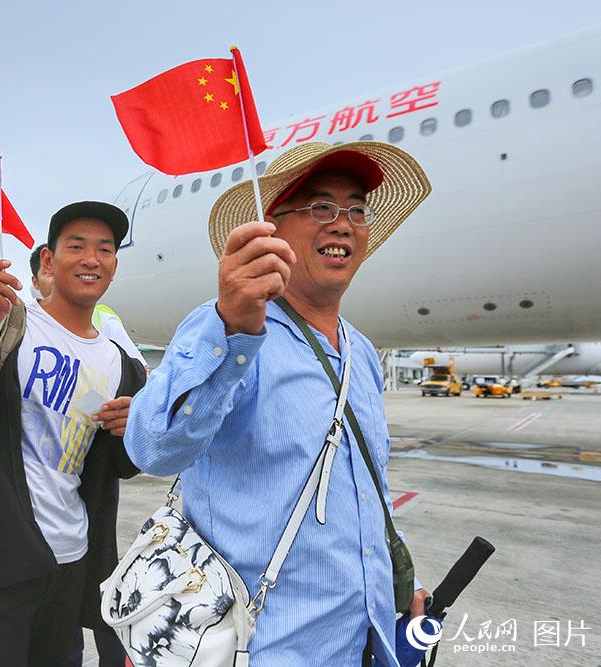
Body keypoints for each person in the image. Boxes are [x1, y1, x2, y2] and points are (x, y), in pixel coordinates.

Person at [124, 142, 433, 665]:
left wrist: (401, 576)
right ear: (273, 230)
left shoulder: (359, 349)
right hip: (260, 644)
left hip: (364, 638)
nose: (343, 224)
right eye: (319, 207)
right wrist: (231, 328)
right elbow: (152, 448)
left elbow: (363, 486)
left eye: (356, 210)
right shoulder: (227, 325)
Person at [0, 201, 147, 666]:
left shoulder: (121, 364)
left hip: (73, 558)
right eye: (76, 246)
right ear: (49, 261)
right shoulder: (7, 325)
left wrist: (129, 428)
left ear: (114, 266)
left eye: (105, 249)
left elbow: (126, 467)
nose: (91, 258)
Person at [29, 242, 138, 666]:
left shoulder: (108, 337)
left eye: (104, 251)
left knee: (71, 641)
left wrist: (132, 422)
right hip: (9, 549)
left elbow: (127, 458)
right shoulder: (18, 328)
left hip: (75, 543)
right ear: (45, 269)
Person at [30, 242, 148, 371]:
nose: (57, 280)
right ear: (35, 282)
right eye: (50, 274)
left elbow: (140, 371)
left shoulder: (103, 320)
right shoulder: (24, 322)